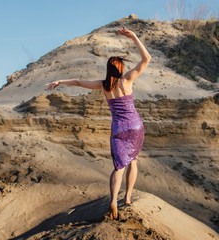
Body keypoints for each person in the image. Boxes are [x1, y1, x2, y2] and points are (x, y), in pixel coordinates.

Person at [46, 27, 151, 220]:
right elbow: (146, 59)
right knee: (133, 161)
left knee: (119, 166)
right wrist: (135, 36)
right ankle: (127, 197)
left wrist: (60, 81)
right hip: (135, 126)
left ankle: (113, 200)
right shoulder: (127, 80)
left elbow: (78, 82)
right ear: (120, 69)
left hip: (118, 129)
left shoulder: (103, 85)